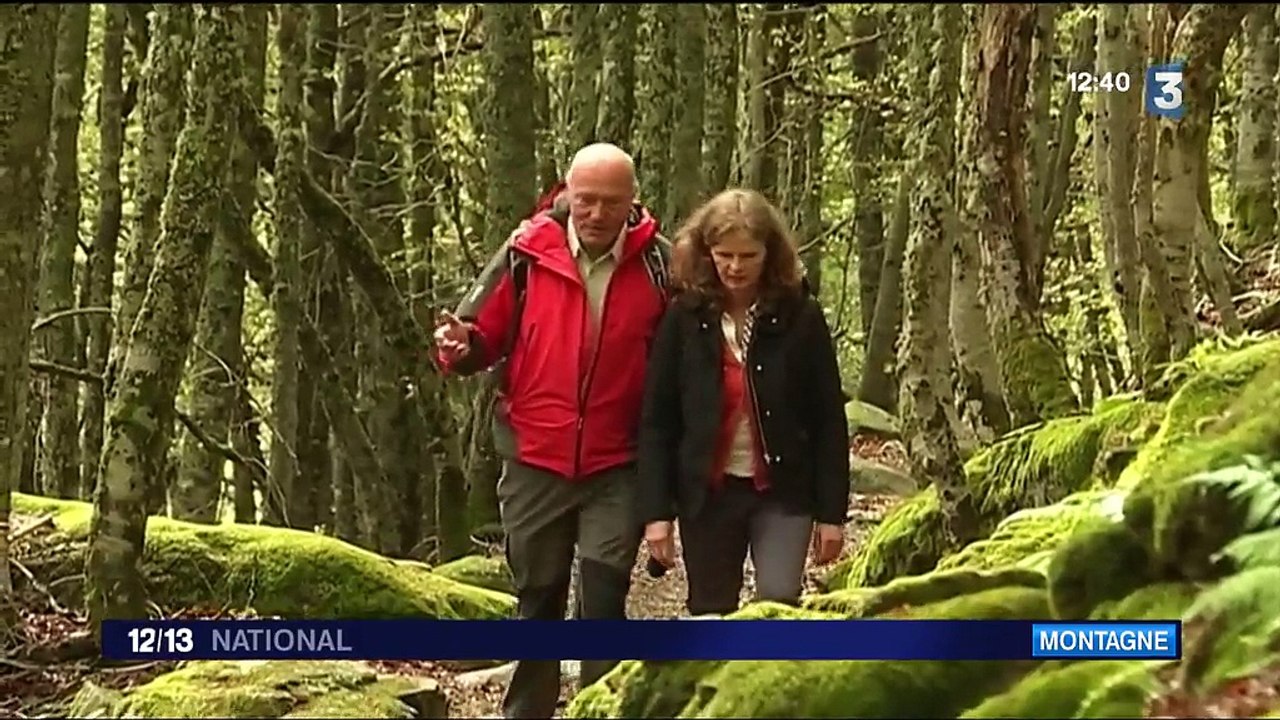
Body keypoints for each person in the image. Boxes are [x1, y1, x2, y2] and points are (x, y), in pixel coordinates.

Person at [433, 143, 670, 719]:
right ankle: (527, 711)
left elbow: (682, 361)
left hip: (619, 462)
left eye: (610, 203)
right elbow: (477, 335)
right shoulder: (526, 253)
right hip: (535, 455)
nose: (595, 213)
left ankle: (601, 708)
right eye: (585, 200)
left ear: (631, 203)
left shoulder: (660, 265)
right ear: (567, 194)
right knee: (537, 594)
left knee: (604, 593)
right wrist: (459, 349)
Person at [637, 188, 850, 617]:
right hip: (708, 494)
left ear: (770, 254)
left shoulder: (801, 317)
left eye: (748, 256)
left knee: (776, 605)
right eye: (724, 255)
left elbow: (828, 419)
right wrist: (656, 514)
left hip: (783, 490)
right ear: (707, 253)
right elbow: (657, 421)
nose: (735, 267)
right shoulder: (684, 318)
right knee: (711, 612)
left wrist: (832, 514)